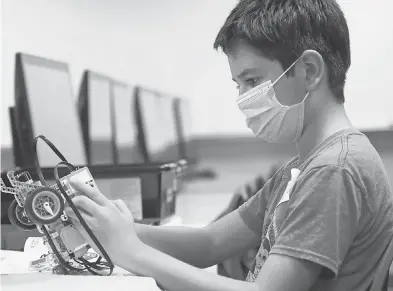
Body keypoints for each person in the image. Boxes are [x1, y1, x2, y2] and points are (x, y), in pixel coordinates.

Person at [65, 0, 393, 290]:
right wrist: (115, 229)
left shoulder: (333, 171)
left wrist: (132, 252)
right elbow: (210, 243)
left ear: (309, 71)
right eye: (239, 85)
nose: (243, 99)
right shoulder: (304, 165)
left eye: (252, 81)